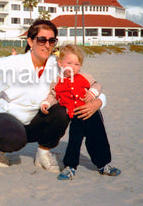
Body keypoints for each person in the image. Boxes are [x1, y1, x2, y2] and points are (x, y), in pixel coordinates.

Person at [0, 19, 106, 171]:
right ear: (30, 41)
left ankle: (43, 152)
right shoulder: (10, 64)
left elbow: (85, 84)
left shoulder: (58, 66)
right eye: (42, 40)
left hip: (38, 120)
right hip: (8, 120)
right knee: (15, 138)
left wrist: (98, 102)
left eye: (52, 41)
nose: (47, 45)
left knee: (62, 111)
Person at [41, 44, 120, 180]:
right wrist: (46, 103)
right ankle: (70, 167)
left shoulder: (85, 76)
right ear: (60, 63)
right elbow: (53, 96)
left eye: (77, 64)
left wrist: (92, 93)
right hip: (75, 116)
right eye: (69, 63)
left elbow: (97, 85)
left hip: (92, 114)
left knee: (98, 139)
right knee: (74, 141)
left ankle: (103, 164)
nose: (73, 67)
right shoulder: (57, 82)